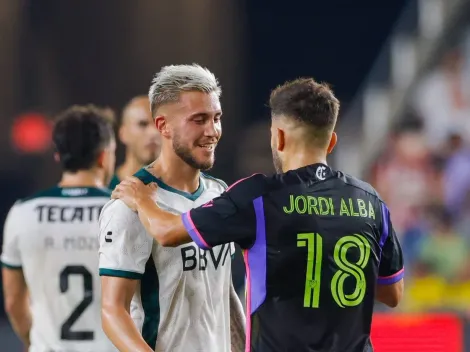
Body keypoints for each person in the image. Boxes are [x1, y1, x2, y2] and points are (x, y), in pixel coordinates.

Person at [113, 78, 405, 352]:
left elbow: (166, 232)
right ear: (331, 142)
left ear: (278, 137)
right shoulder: (371, 201)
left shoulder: (259, 197)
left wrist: (143, 199)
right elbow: (392, 294)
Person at [98, 64, 245, 352]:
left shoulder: (219, 193)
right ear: (163, 126)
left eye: (217, 118)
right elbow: (113, 312)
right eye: (199, 120)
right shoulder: (128, 206)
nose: (212, 131)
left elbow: (224, 293)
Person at [1, 105, 117, 352]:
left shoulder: (23, 212)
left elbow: (13, 302)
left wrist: (34, 341)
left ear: (58, 155)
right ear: (103, 155)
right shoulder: (121, 211)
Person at [108, 95, 161, 190]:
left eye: (159, 125)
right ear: (123, 133)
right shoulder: (105, 188)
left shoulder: (182, 190)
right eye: (143, 124)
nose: (153, 132)